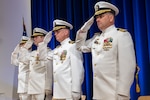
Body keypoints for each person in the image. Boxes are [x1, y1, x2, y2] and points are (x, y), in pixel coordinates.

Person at [75, 1, 136, 100]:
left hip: (114, 94)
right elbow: (79, 47)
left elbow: (128, 67)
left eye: (101, 16)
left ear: (111, 18)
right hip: (98, 95)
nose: (97, 20)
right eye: (96, 17)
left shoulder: (121, 35)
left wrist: (123, 93)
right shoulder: (96, 39)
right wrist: (85, 27)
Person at [40, 19, 84, 100]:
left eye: (58, 31)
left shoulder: (73, 46)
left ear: (66, 32)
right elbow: (42, 58)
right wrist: (44, 43)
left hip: (69, 93)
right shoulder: (57, 49)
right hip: (58, 93)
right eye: (55, 32)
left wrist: (76, 91)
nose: (55, 34)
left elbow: (77, 70)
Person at [19, 27, 53, 100]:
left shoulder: (49, 52)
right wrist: (25, 48)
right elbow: (22, 59)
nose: (34, 39)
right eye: (33, 37)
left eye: (36, 37)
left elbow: (49, 70)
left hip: (42, 89)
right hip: (32, 88)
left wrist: (48, 87)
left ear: (43, 38)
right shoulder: (33, 53)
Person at [11, 34, 31, 100]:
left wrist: (22, 50)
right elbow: (14, 61)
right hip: (21, 87)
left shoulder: (30, 55)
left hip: (27, 87)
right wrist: (15, 52)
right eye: (21, 45)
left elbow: (24, 59)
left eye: (23, 44)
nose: (22, 47)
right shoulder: (21, 57)